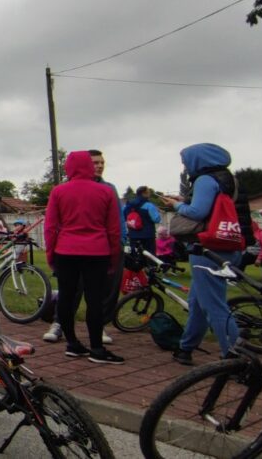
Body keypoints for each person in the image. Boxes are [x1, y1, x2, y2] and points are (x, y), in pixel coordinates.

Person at [161, 143, 249, 365]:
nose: (185, 166)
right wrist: (186, 201)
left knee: (214, 305)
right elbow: (214, 207)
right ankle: (186, 348)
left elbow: (198, 212)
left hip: (206, 248)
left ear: (198, 160)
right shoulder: (228, 179)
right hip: (228, 244)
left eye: (185, 161)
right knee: (198, 301)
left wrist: (177, 206)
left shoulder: (204, 180)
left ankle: (235, 357)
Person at [44, 150, 124, 365]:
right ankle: (97, 348)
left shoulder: (58, 191)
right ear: (89, 166)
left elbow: (50, 227)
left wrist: (51, 255)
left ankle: (72, 343)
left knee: (66, 297)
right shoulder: (105, 191)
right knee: (94, 299)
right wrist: (114, 257)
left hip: (65, 251)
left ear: (68, 167)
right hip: (97, 251)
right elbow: (114, 229)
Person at [123, 186, 162, 255]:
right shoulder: (149, 205)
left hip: (133, 235)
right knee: (150, 256)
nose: (149, 194)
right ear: (144, 193)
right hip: (148, 235)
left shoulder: (128, 205)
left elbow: (124, 216)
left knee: (135, 256)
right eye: (148, 192)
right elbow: (156, 219)